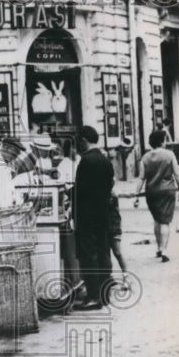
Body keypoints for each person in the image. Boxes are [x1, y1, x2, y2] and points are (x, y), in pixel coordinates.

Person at [72, 125, 114, 309]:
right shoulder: (105, 160)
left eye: (77, 141)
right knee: (103, 251)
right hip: (102, 213)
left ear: (83, 140)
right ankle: (104, 294)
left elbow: (81, 191)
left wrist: (70, 194)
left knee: (89, 255)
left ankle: (93, 296)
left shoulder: (86, 161)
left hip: (87, 215)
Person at [133, 130, 179, 263]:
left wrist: (136, 194)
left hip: (151, 192)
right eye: (165, 140)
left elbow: (141, 178)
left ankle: (158, 247)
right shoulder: (169, 155)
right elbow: (176, 174)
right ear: (162, 141)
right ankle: (165, 251)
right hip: (167, 190)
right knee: (165, 221)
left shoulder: (145, 157)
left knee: (157, 219)